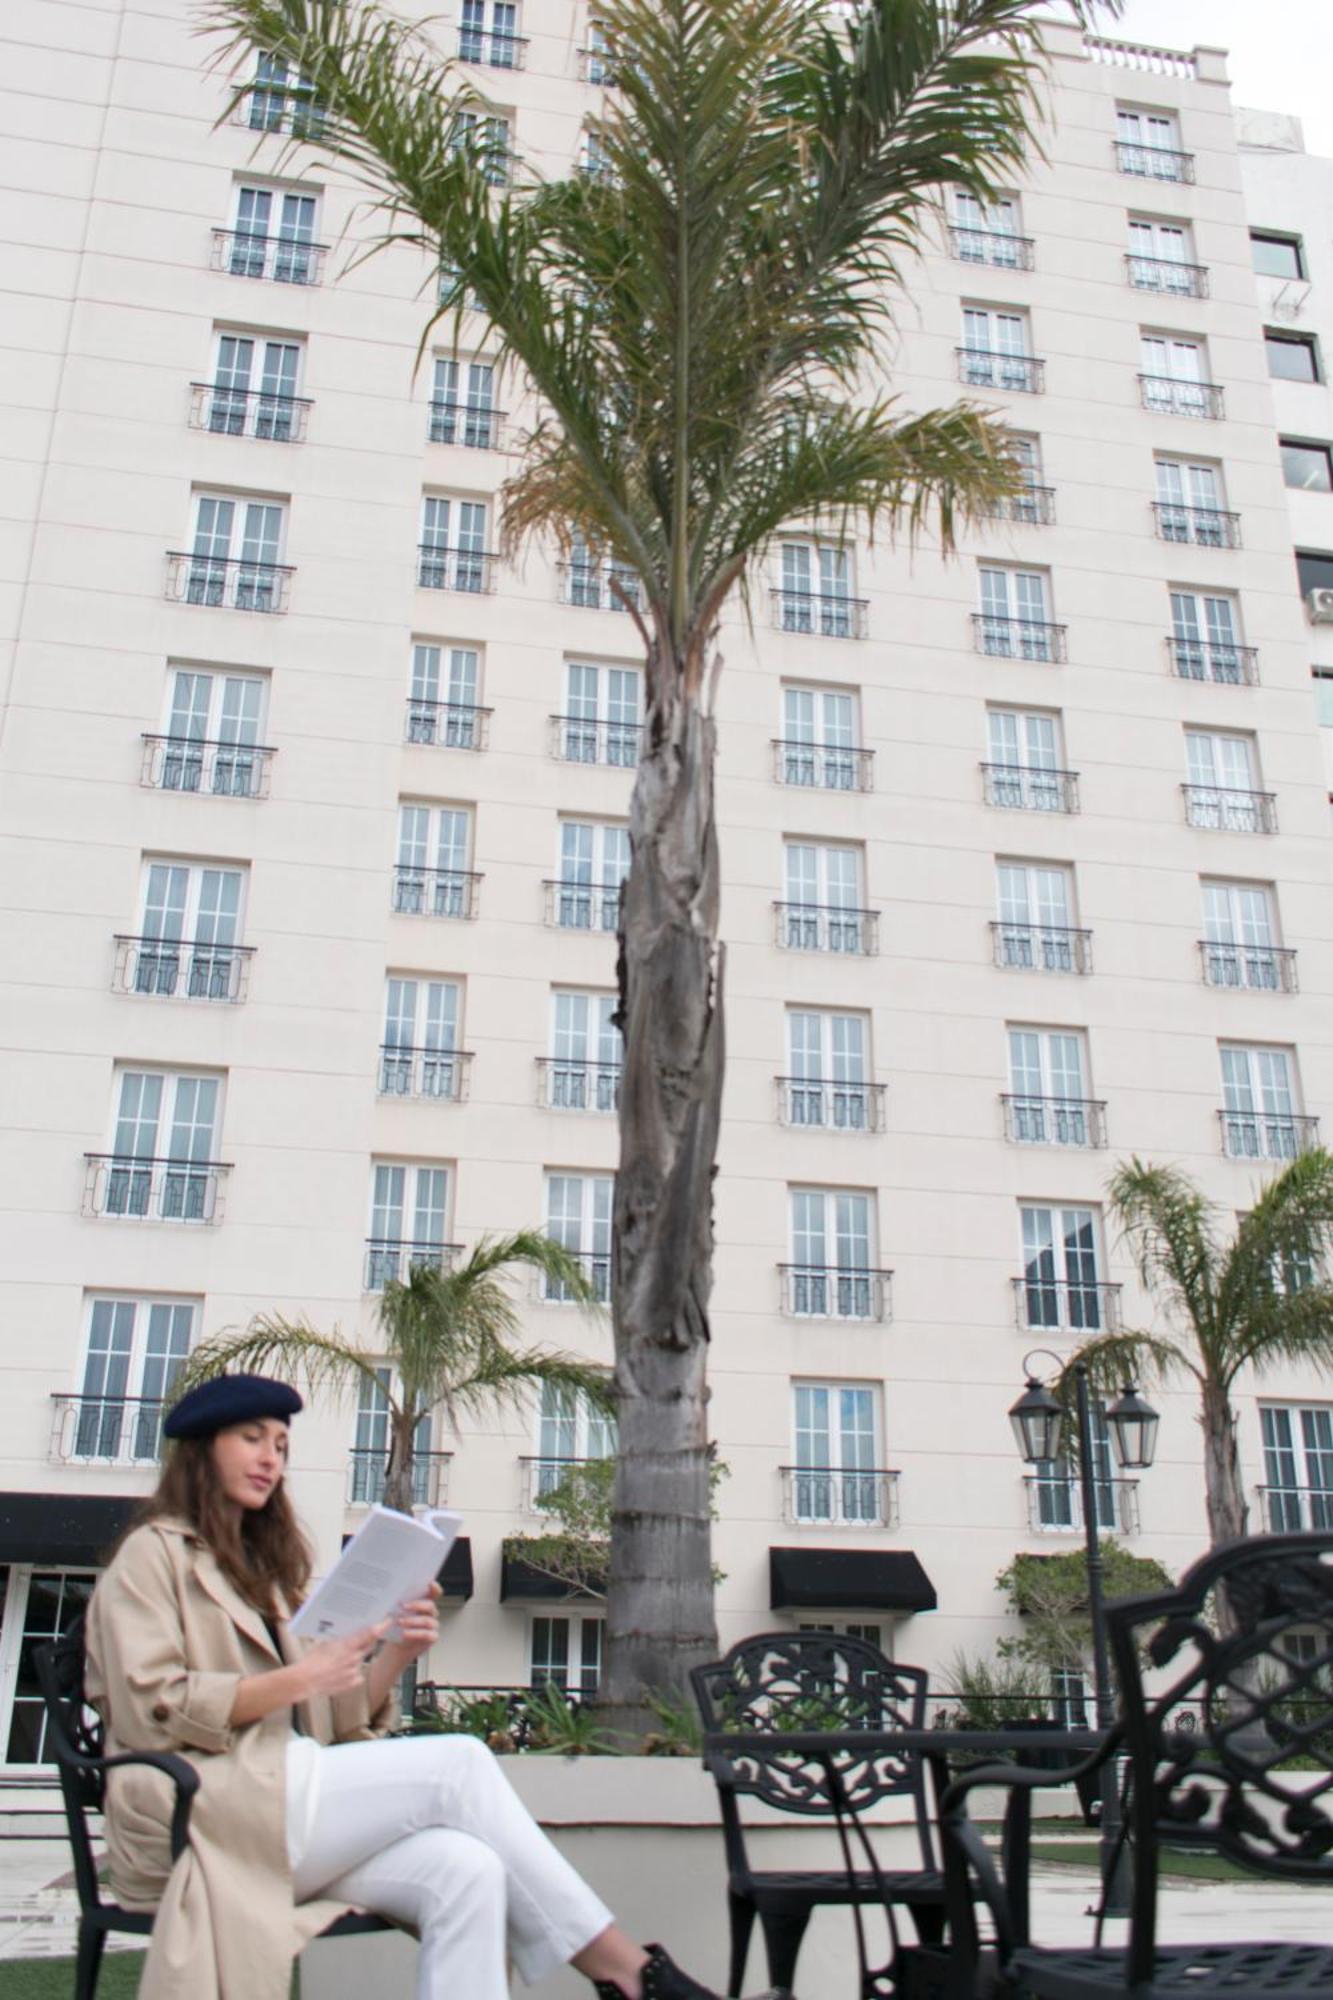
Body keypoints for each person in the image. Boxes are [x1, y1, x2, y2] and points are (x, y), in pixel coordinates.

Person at [85, 1373, 764, 2000]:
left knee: (465, 1868)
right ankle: (628, 1974)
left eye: (283, 1445)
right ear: (203, 1450)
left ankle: (627, 1978)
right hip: (199, 1812)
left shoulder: (260, 1572)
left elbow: (332, 1719)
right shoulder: (152, 1556)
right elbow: (154, 1706)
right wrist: (299, 1676)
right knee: (459, 1762)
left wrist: (396, 1652)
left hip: (283, 1799)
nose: (271, 1458)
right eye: (253, 1439)